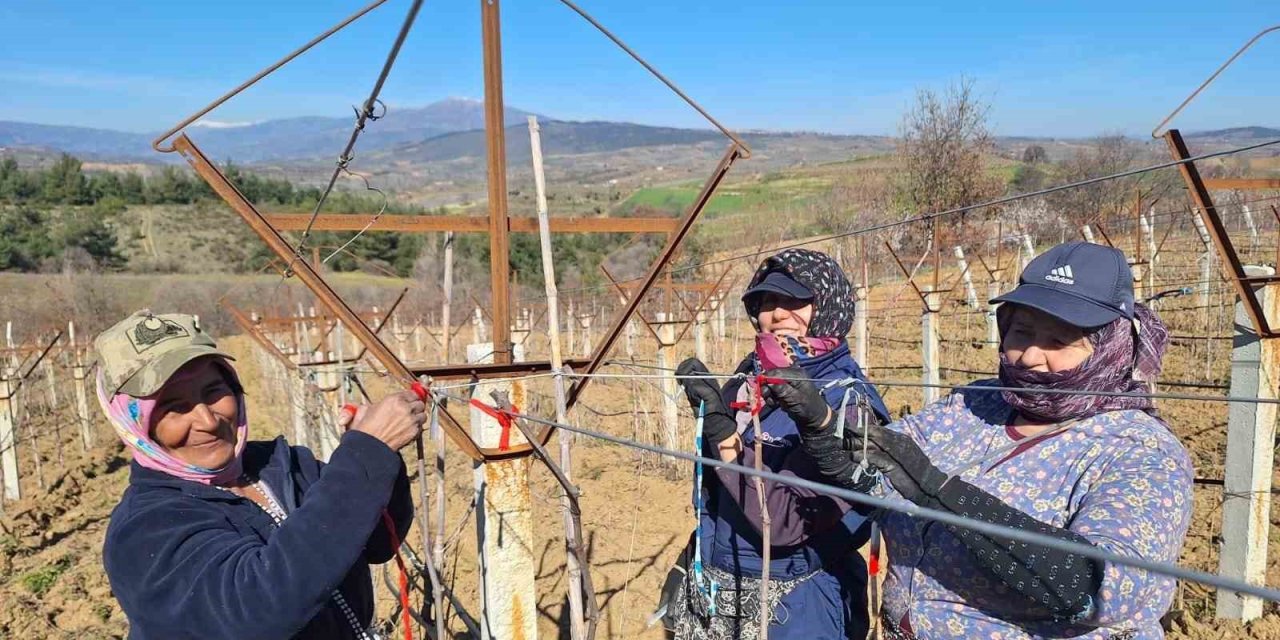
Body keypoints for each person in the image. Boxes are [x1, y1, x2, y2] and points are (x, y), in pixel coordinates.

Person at [765, 241, 1193, 639]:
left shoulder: (1139, 451)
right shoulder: (975, 404)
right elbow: (874, 469)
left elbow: (1103, 590)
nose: (1029, 355)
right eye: (1022, 332)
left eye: (1058, 340)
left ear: (1110, 347)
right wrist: (820, 422)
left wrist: (942, 494)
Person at [95, 310, 421, 640]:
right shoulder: (145, 530)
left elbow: (377, 543)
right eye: (174, 407)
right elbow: (255, 609)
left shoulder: (281, 464)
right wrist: (364, 453)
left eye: (212, 391)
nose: (208, 421)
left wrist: (380, 456)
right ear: (135, 423)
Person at [662, 248, 891, 639]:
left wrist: (722, 435)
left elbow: (785, 521)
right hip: (723, 586)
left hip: (799, 606)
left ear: (828, 306)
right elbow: (718, 492)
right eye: (767, 301)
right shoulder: (749, 379)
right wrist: (693, 559)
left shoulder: (848, 402)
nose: (777, 313)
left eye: (794, 299)